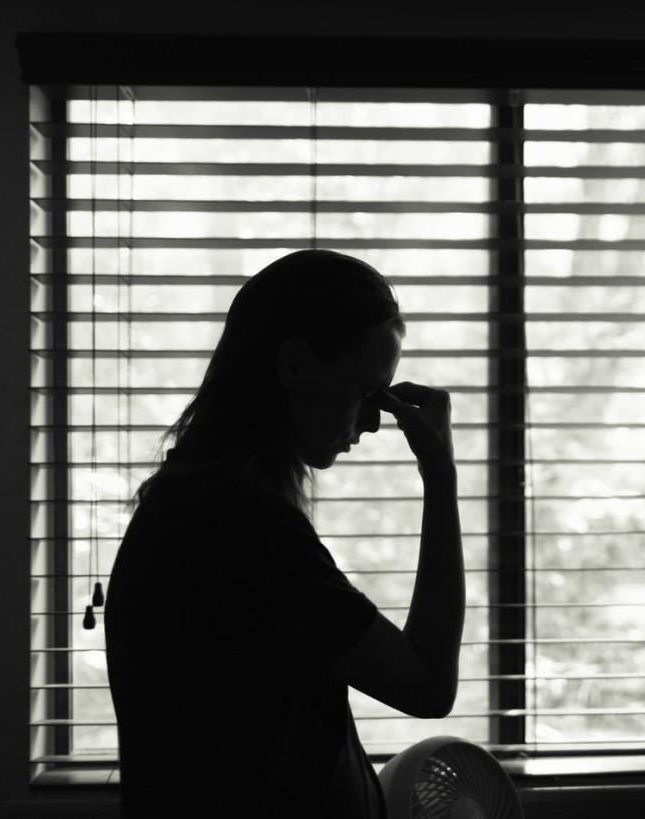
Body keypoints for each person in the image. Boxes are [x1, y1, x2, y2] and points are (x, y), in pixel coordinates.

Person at [104, 249, 464, 818]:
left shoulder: (201, 502)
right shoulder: (240, 528)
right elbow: (426, 687)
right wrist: (440, 477)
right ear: (294, 364)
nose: (374, 420)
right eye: (364, 390)